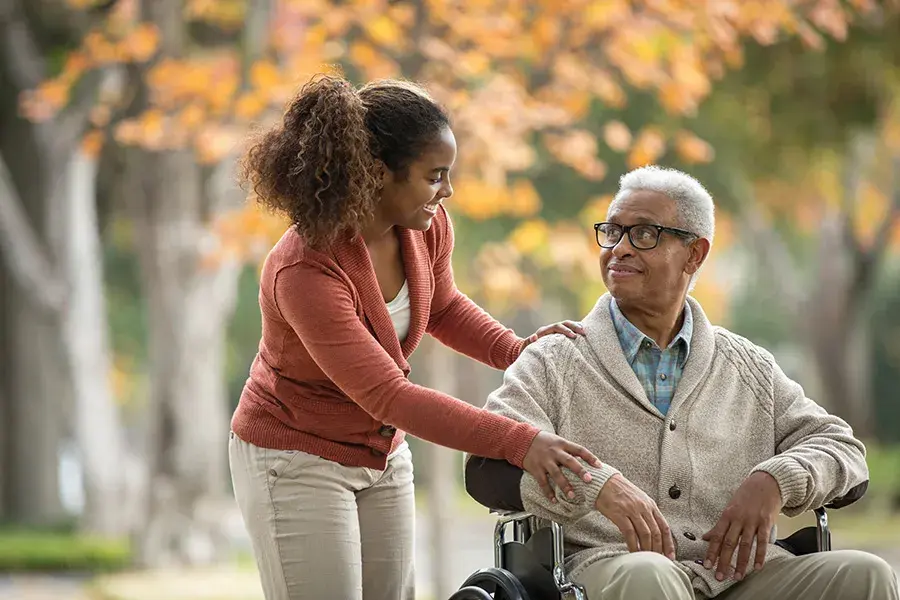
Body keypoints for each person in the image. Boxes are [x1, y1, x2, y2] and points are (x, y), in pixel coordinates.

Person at [227, 73, 601, 600]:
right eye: (435, 176)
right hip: (296, 458)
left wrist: (518, 351)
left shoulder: (426, 226)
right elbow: (388, 395)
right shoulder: (306, 270)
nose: (446, 191)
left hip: (380, 453)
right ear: (379, 174)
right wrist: (520, 442)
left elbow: (442, 306)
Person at [465, 165, 898, 599]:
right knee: (650, 575)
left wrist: (776, 480)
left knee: (865, 573)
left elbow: (844, 452)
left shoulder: (749, 367)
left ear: (695, 254)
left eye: (644, 234)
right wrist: (596, 488)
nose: (619, 249)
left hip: (737, 574)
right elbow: (486, 466)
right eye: (613, 232)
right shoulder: (554, 360)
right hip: (608, 570)